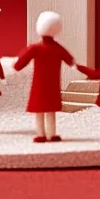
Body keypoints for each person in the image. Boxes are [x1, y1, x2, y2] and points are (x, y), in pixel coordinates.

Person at [13, 11, 75, 142]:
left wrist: (16, 65)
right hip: (52, 84)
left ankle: (41, 134)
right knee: (50, 110)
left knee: (40, 110)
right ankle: (51, 134)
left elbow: (20, 64)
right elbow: (70, 60)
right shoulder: (57, 48)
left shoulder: (35, 48)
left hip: (39, 84)